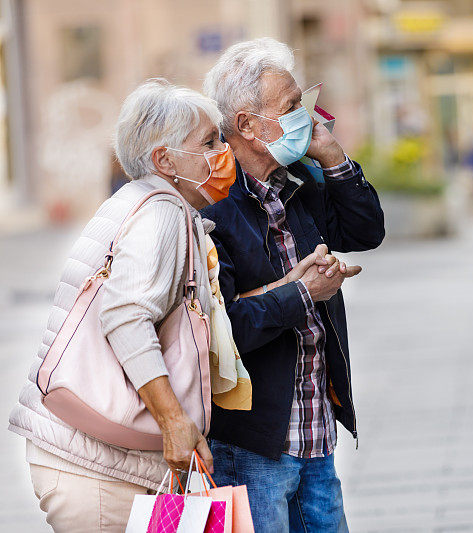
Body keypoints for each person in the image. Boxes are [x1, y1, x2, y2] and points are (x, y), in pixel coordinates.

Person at [6, 78, 325, 531]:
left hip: (99, 458)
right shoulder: (161, 215)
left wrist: (293, 286)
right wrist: (174, 420)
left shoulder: (146, 203)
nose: (224, 153)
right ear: (164, 160)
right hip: (95, 469)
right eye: (209, 142)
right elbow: (126, 315)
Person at [201, 38, 385, 532]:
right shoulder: (213, 211)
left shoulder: (298, 181)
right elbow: (224, 330)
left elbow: (366, 232)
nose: (306, 116)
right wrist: (303, 292)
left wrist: (332, 155)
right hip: (254, 442)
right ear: (247, 126)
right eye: (291, 107)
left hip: (315, 429)